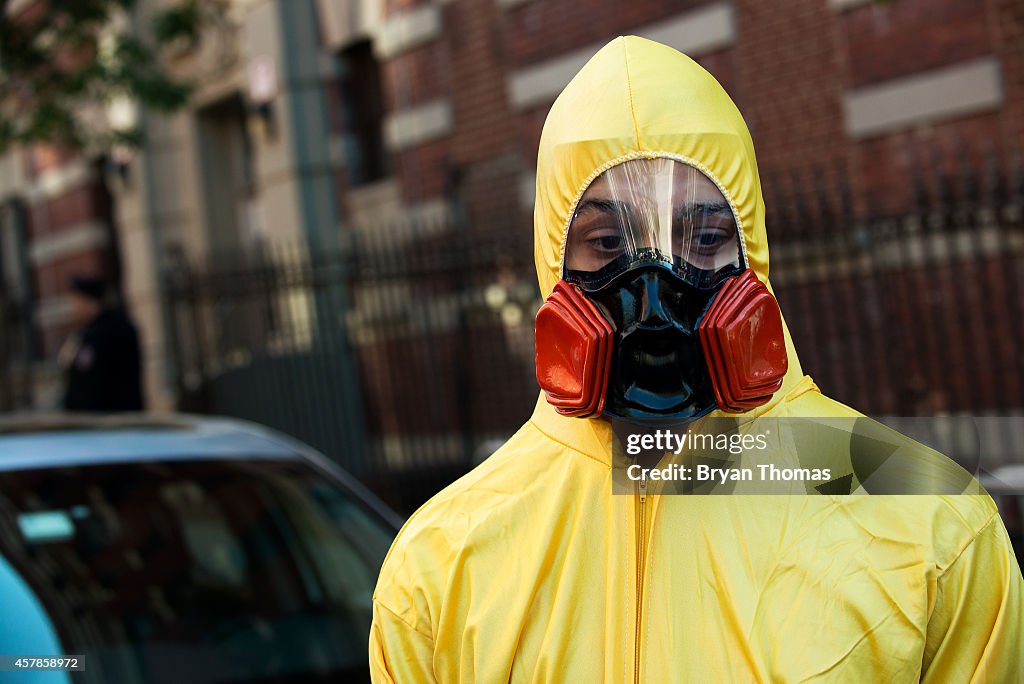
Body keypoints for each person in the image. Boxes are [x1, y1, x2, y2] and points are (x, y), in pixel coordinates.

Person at [369, 37, 1023, 681]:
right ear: (552, 265)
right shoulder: (441, 572)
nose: (654, 292)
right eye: (606, 240)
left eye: (705, 237)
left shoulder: (931, 528)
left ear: (753, 255)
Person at [61, 275, 144, 412]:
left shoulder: (114, 330)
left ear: (88, 301)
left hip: (112, 419)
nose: (74, 307)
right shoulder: (86, 333)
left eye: (76, 301)